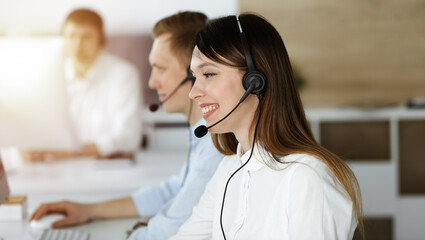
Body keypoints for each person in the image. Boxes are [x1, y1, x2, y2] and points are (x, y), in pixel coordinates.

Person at [29, 11, 224, 240]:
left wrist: (135, 230)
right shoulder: (201, 136)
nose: (151, 82)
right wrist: (90, 210)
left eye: (160, 68)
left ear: (194, 74)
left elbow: (169, 230)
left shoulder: (215, 147)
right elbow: (174, 190)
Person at [171, 13, 364, 239]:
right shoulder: (229, 170)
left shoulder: (307, 179)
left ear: (255, 81)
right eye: (195, 77)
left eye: (209, 74)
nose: (194, 93)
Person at [22, 8, 142, 161]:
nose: (78, 45)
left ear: (101, 39)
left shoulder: (123, 75)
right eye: (71, 36)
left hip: (104, 171)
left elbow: (128, 139)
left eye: (86, 37)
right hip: (55, 169)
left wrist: (66, 152)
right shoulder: (49, 75)